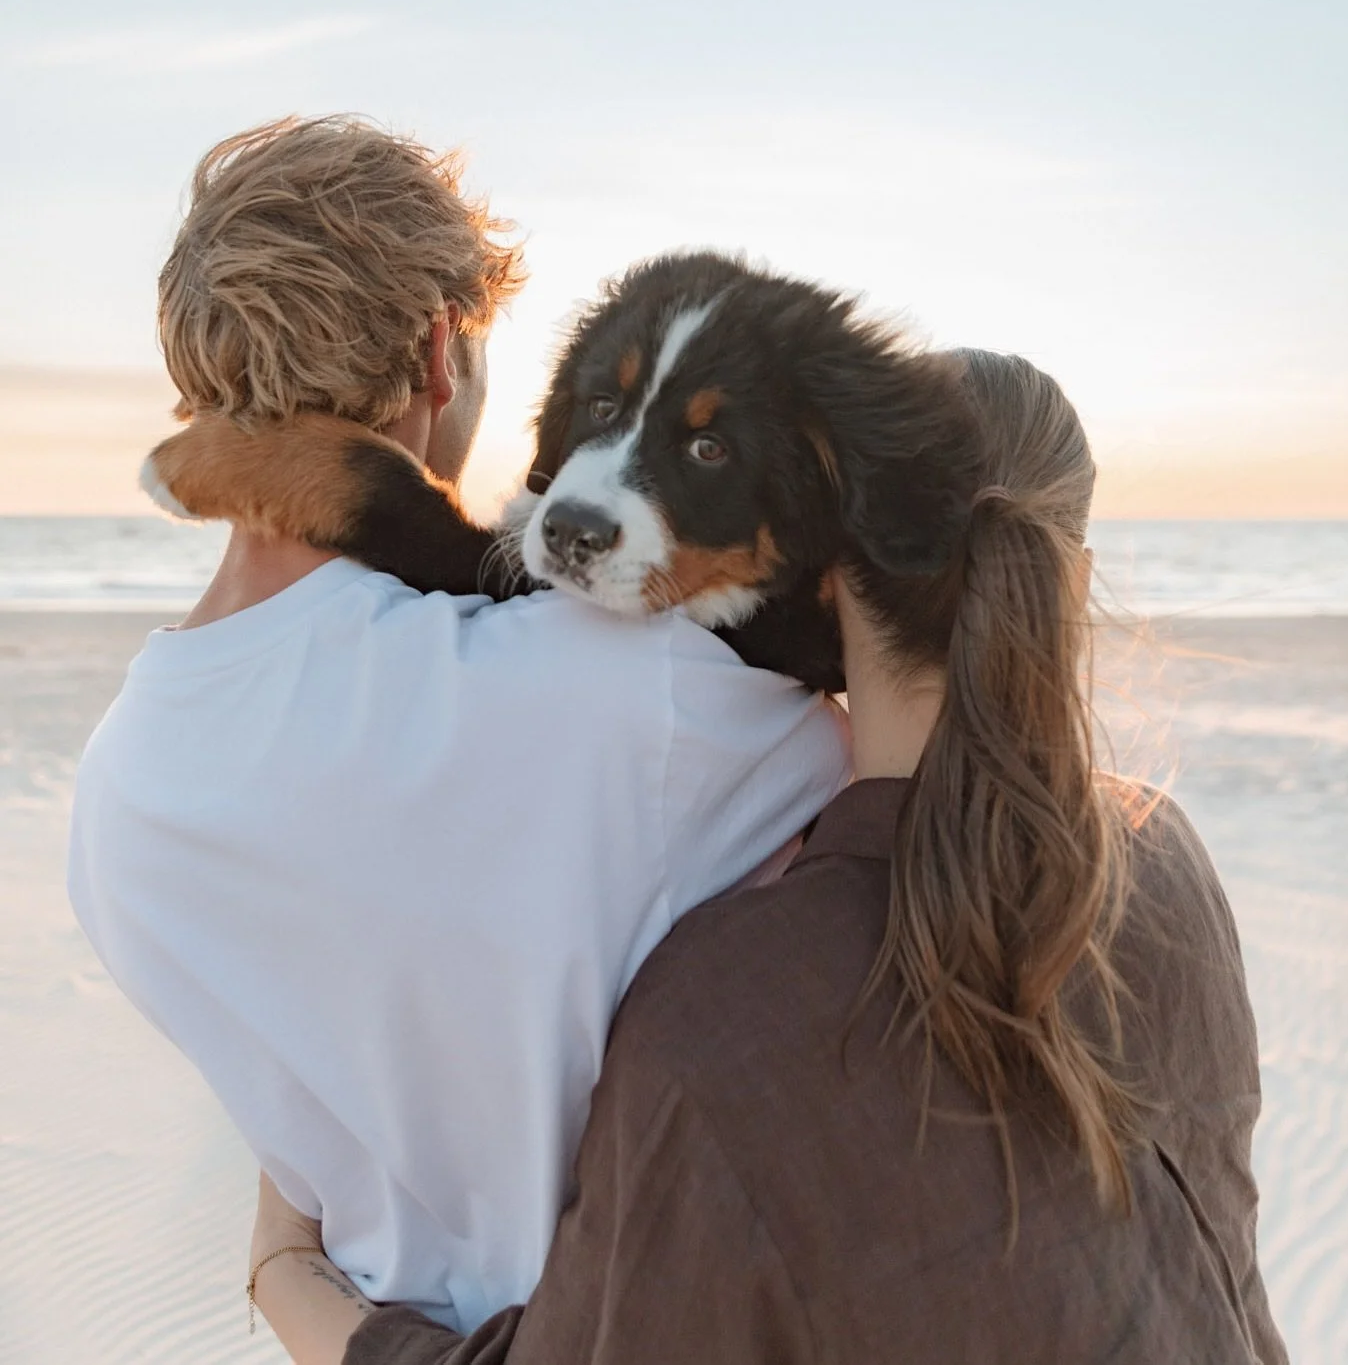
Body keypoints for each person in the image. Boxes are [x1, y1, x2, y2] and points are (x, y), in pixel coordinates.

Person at [249, 349, 1286, 1365]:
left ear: (819, 576)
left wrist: (286, 1268)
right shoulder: (1165, 862)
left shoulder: (727, 1006)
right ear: (1070, 581)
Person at [67, 117, 849, 1333]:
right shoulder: (631, 690)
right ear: (444, 350)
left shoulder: (113, 802)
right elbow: (877, 771)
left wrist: (283, 1270)